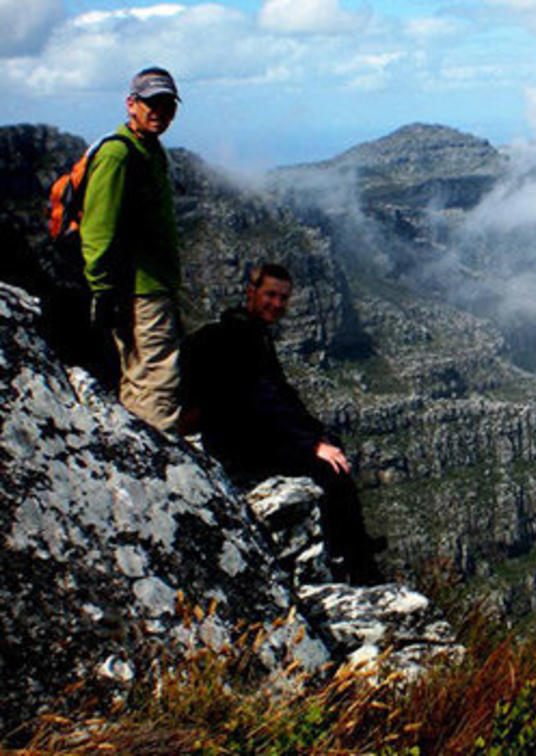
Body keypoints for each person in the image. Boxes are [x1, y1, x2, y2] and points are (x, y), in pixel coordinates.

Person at [182, 263, 383, 585]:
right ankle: (358, 565)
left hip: (244, 434)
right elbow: (264, 400)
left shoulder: (253, 332)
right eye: (270, 295)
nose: (276, 304)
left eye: (283, 298)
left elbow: (282, 395)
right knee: (330, 471)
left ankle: (351, 547)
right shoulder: (241, 336)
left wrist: (318, 434)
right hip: (237, 446)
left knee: (332, 448)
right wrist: (312, 444)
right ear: (251, 293)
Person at [81, 66, 186, 432]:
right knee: (157, 383)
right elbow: (98, 229)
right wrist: (101, 291)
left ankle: (135, 445)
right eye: (151, 103)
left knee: (142, 377)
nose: (159, 112)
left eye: (167, 105)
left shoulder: (150, 149)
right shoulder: (118, 154)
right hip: (141, 292)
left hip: (154, 286)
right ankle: (157, 458)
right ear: (131, 104)